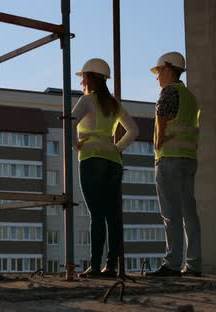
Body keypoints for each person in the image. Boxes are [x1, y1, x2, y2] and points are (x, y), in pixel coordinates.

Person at [72, 58, 139, 278]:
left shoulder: (86, 100)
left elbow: (69, 123)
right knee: (113, 216)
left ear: (89, 77)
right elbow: (134, 131)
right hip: (113, 162)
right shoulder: (114, 103)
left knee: (97, 215)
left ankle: (94, 265)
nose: (82, 82)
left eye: (83, 78)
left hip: (92, 159)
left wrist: (77, 146)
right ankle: (110, 266)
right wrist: (117, 148)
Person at [145, 52, 202, 277]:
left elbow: (161, 119)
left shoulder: (169, 91)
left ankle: (172, 263)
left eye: (158, 71)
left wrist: (159, 142)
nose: (157, 77)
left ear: (168, 69)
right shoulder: (190, 97)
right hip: (188, 159)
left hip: (169, 158)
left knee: (171, 213)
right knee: (189, 213)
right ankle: (194, 264)